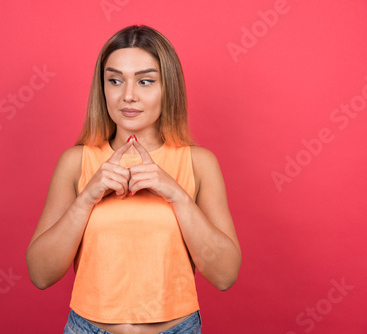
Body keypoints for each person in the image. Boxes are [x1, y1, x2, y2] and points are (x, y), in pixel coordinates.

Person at [26, 25, 241, 334]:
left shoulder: (199, 163)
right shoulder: (75, 162)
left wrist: (176, 193)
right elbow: (40, 274)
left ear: (168, 88)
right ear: (102, 88)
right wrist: (87, 197)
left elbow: (225, 275)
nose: (128, 95)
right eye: (115, 80)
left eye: (145, 81)